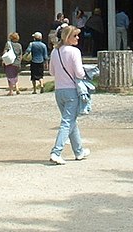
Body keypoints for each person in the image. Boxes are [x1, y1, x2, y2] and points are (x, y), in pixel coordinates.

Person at [48, 26, 90, 164]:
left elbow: (51, 72)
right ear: (67, 37)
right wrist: (85, 73)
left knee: (71, 121)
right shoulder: (74, 51)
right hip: (72, 90)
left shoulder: (55, 51)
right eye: (75, 36)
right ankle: (56, 152)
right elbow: (79, 73)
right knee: (67, 122)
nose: (78, 38)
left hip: (59, 91)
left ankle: (79, 151)